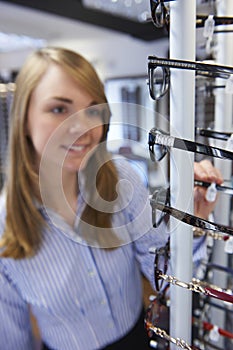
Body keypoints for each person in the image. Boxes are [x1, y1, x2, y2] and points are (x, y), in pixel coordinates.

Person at [0, 47, 223, 350]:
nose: (82, 127)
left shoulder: (119, 179)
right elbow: (12, 338)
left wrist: (191, 221)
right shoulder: (4, 225)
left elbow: (166, 276)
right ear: (23, 118)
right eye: (59, 109)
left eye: (93, 109)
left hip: (138, 339)